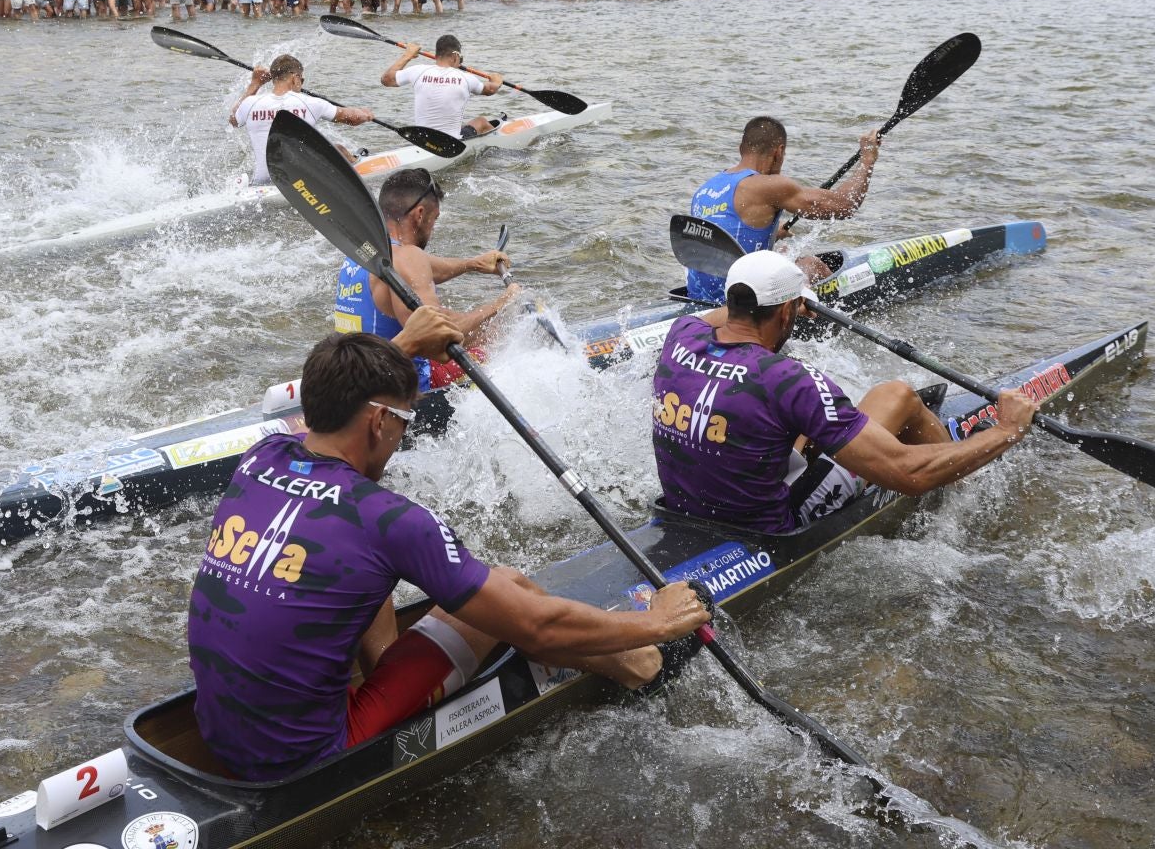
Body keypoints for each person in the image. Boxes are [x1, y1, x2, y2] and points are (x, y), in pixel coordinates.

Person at [188, 315, 710, 782]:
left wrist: (405, 346)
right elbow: (534, 626)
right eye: (404, 421)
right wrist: (659, 621)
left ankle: (388, 671)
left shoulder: (262, 456)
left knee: (353, 568)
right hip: (312, 756)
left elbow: (338, 396)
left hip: (220, 734)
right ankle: (645, 664)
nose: (401, 436)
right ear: (379, 422)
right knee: (503, 589)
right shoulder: (387, 518)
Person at [654, 251, 1038, 533]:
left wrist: (789, 297)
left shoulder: (681, 335)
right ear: (787, 312)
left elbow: (729, 314)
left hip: (691, 506)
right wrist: (1005, 431)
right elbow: (907, 474)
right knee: (899, 396)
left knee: (798, 418)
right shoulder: (787, 378)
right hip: (770, 525)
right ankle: (960, 480)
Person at [334, 167, 515, 391]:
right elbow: (442, 337)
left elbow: (430, 267)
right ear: (420, 214)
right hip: (405, 389)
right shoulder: (409, 257)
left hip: (358, 378)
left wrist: (474, 263)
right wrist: (504, 302)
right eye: (434, 219)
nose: (432, 227)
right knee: (502, 332)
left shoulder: (363, 253)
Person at [684, 116, 880, 302]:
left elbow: (723, 233)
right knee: (811, 265)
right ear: (779, 151)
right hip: (742, 301)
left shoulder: (706, 190)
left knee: (784, 251)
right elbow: (846, 205)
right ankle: (834, 319)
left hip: (701, 296)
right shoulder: (769, 185)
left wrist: (771, 231)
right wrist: (867, 160)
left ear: (741, 149)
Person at [229, 54, 373, 184]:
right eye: (301, 79)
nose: (301, 84)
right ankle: (356, 161)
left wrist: (255, 84)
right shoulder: (310, 103)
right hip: (301, 183)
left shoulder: (250, 103)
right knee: (338, 149)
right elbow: (351, 118)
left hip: (262, 180)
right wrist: (365, 114)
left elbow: (234, 120)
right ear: (294, 77)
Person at [379, 35, 503, 138]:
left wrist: (408, 55)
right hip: (451, 143)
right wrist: (497, 81)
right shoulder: (466, 78)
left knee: (463, 125)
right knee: (481, 122)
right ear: (455, 57)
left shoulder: (418, 71)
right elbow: (490, 90)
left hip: (422, 139)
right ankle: (501, 141)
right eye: (461, 59)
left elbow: (386, 79)